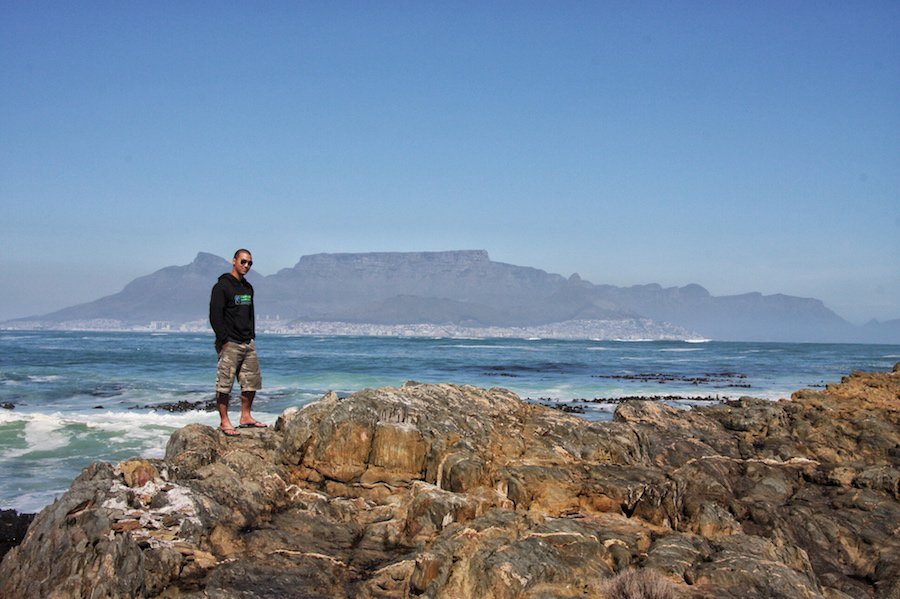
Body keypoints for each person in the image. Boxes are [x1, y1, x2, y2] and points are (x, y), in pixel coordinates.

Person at [209, 249, 267, 436]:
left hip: (247, 342)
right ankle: (225, 421)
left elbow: (249, 314)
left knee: (251, 382)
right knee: (225, 385)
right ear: (234, 261)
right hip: (230, 343)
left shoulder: (248, 288)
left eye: (250, 263)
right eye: (243, 262)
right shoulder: (222, 287)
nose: (246, 266)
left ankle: (246, 416)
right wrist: (224, 339)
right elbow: (215, 315)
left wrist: (251, 336)